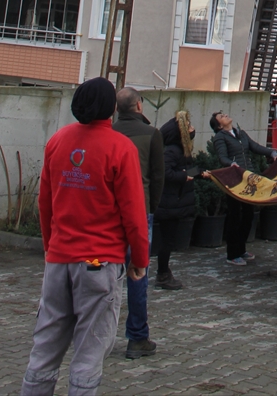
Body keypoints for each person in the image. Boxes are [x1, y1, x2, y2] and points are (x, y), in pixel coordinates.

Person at [20, 77, 149, 396]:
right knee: (89, 355)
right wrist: (140, 260)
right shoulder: (121, 148)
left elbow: (45, 203)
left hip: (59, 261)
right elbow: (134, 214)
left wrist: (52, 248)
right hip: (99, 263)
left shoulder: (58, 141)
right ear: (110, 109)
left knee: (45, 349)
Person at [113, 87, 165, 358]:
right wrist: (151, 208)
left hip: (109, 217)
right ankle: (137, 337)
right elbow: (158, 176)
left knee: (102, 271)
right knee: (137, 274)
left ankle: (98, 333)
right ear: (139, 106)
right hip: (139, 214)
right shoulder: (151, 134)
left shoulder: (109, 132)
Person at [209, 110, 277, 266]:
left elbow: (255, 147)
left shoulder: (240, 134)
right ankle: (232, 253)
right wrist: (230, 164)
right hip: (235, 181)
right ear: (219, 125)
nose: (226, 115)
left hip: (249, 179)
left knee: (248, 215)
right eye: (222, 117)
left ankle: (241, 249)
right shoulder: (220, 138)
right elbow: (222, 157)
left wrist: (272, 153)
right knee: (235, 216)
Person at [153, 110, 196, 291]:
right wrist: (183, 176)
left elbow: (189, 170)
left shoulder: (181, 151)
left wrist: (200, 173)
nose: (192, 128)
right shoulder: (172, 150)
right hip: (169, 203)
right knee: (166, 241)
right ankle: (162, 274)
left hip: (175, 202)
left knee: (169, 240)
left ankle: (164, 272)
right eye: (188, 127)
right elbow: (167, 173)